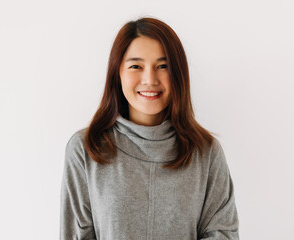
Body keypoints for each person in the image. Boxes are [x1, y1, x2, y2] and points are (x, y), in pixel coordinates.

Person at [60, 17, 239, 240]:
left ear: (178, 74)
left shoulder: (206, 152)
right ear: (118, 73)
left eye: (163, 66)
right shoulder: (86, 149)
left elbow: (222, 234)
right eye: (136, 66)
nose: (149, 79)